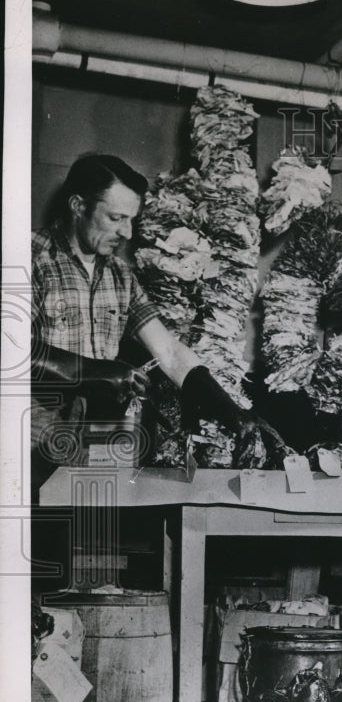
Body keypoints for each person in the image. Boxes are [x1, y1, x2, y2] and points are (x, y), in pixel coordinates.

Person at [31, 153, 276, 487]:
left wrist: (233, 412)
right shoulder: (28, 255)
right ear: (78, 205)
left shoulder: (120, 275)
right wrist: (93, 372)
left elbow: (170, 353)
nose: (128, 233)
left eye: (131, 219)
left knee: (90, 533)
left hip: (95, 447)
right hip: (33, 445)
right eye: (116, 218)